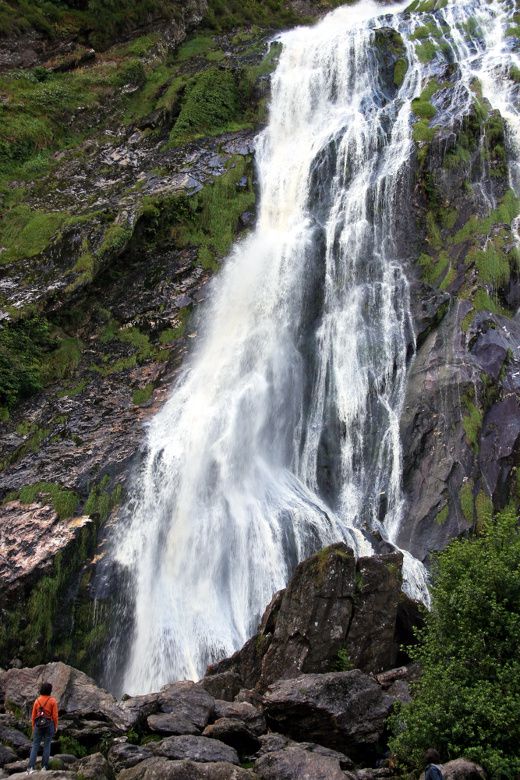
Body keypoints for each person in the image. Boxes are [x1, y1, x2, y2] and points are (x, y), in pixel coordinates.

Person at [27, 682, 58, 774]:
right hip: (49, 724)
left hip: (38, 725)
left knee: (35, 745)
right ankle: (44, 767)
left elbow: (33, 716)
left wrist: (33, 726)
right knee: (47, 745)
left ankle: (30, 767)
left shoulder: (37, 701)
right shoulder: (52, 701)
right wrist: (55, 726)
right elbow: (55, 716)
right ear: (50, 690)